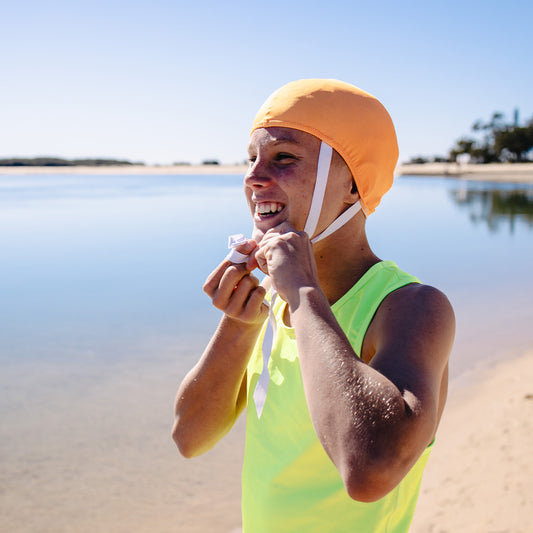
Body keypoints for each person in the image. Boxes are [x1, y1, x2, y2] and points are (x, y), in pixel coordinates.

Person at [172, 79, 455, 532]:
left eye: (283, 158)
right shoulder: (274, 300)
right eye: (252, 160)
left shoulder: (411, 307)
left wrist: (304, 294)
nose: (252, 177)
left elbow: (369, 471)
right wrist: (240, 324)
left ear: (352, 187)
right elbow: (189, 437)